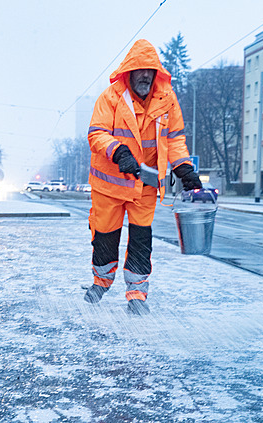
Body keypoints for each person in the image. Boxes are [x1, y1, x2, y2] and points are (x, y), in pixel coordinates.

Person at [84, 39, 202, 315]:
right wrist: (119, 151)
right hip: (110, 184)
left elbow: (175, 139)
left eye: (151, 70)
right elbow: (96, 133)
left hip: (145, 186)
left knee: (141, 239)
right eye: (140, 70)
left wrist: (183, 168)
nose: (146, 75)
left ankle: (137, 294)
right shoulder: (111, 98)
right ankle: (100, 283)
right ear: (130, 72)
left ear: (156, 73)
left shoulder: (167, 99)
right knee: (105, 235)